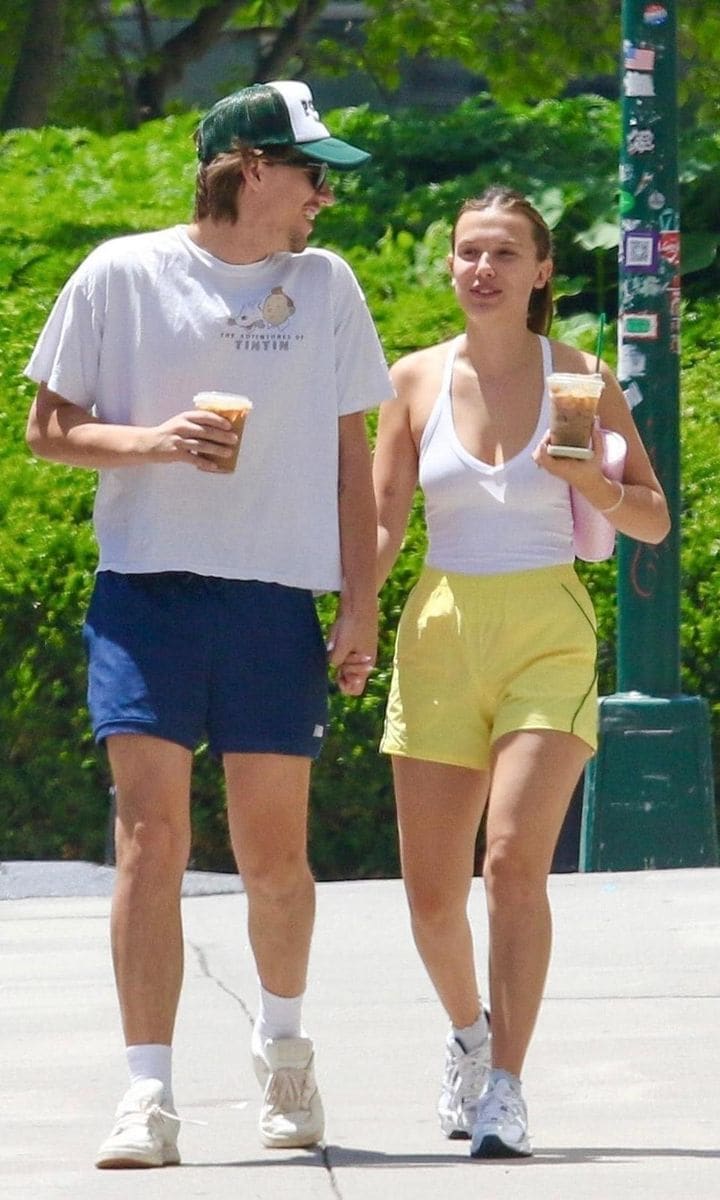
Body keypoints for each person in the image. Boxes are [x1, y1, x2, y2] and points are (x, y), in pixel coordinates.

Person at [25, 79, 392, 1169]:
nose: (325, 195)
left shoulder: (325, 286)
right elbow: (50, 429)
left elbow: (350, 458)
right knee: (149, 841)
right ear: (249, 169)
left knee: (275, 858)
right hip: (145, 591)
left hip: (272, 598)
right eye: (312, 173)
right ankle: (148, 1093)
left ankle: (283, 1047)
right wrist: (156, 442)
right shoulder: (121, 273)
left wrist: (361, 601)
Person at [373, 186, 670, 1158]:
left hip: (548, 624)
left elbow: (652, 518)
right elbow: (379, 528)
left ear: (541, 270)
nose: (482, 270)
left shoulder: (579, 375)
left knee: (510, 865)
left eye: (504, 253)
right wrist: (343, 615)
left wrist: (589, 479)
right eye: (468, 252)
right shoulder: (412, 380)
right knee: (428, 893)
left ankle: (507, 1087)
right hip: (440, 630)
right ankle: (469, 1036)